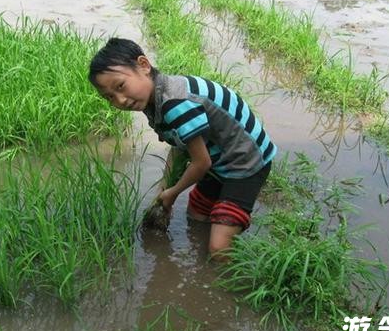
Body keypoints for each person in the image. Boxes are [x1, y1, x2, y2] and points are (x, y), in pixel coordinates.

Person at [88, 38, 277, 261]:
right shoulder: (154, 99)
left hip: (246, 162)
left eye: (121, 86)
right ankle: (204, 260)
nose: (120, 100)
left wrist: (173, 193)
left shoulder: (174, 103)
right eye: (109, 97)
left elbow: (201, 163)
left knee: (219, 248)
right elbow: (179, 147)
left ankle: (229, 276)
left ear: (144, 65)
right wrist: (164, 188)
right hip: (219, 155)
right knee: (196, 216)